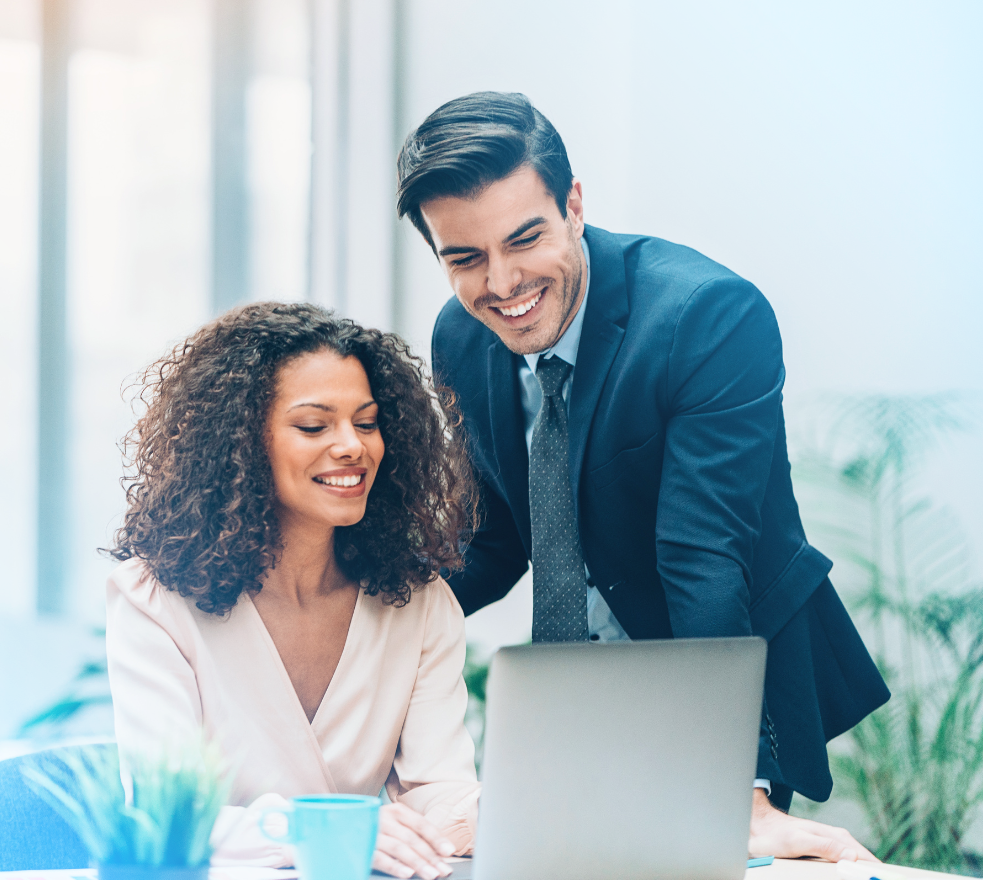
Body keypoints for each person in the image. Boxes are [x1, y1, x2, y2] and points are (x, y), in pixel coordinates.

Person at [396, 91, 891, 861]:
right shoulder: (460, 336)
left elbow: (701, 554)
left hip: (708, 672)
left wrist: (736, 787)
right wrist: (358, 621)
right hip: (567, 695)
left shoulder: (706, 316)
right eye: (464, 258)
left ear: (574, 205)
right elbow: (490, 537)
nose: (500, 282)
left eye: (524, 238)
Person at [105, 302, 477, 880]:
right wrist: (333, 833)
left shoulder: (416, 602)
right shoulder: (154, 602)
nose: (353, 446)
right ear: (240, 442)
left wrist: (503, 814)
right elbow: (167, 814)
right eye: (313, 426)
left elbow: (439, 791)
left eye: (368, 422)